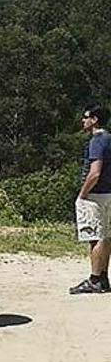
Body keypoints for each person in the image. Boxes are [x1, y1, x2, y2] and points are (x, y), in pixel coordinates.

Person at [71, 104, 111, 294]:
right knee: (106, 235)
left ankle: (94, 279)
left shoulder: (96, 141)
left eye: (86, 117)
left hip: (95, 195)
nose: (83, 120)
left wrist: (83, 194)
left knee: (95, 237)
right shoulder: (109, 139)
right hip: (108, 193)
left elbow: (94, 173)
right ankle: (103, 277)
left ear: (94, 119)